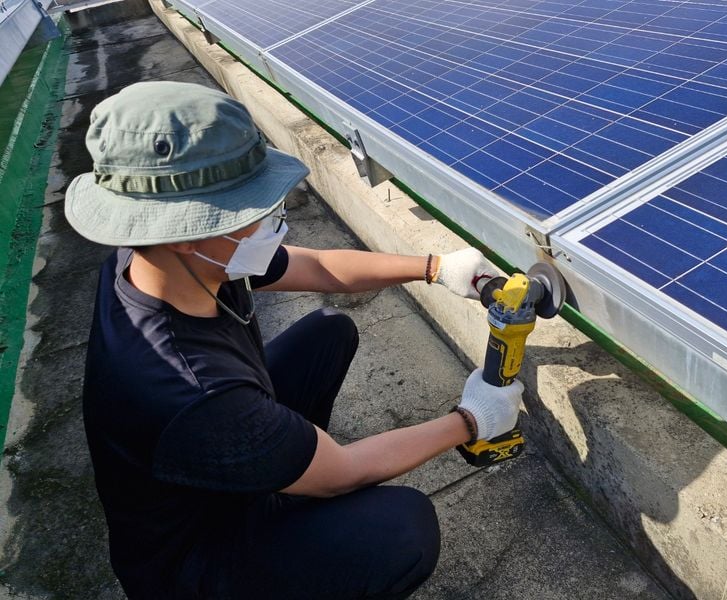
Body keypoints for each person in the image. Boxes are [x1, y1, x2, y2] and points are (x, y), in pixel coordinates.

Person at [65, 81, 524, 600]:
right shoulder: (190, 394)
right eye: (250, 210)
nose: (270, 222)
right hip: (199, 561)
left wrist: (436, 267)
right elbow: (344, 472)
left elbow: (321, 267)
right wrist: (471, 419)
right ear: (185, 232)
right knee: (403, 527)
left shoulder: (157, 263)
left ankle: (286, 472)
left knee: (328, 332)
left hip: (221, 467)